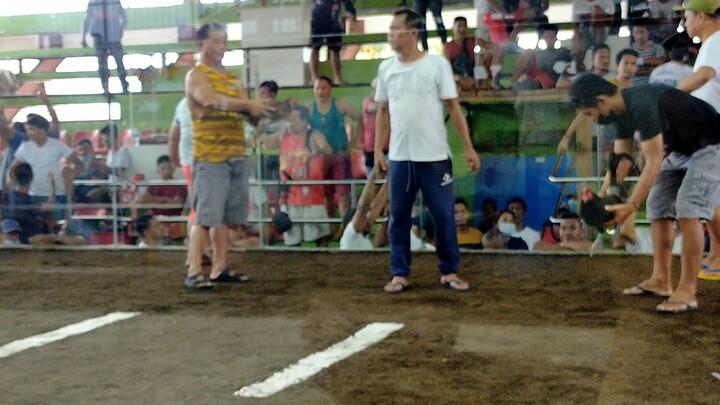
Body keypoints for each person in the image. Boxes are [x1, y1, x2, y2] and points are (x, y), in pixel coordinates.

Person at [569, 73, 720, 313]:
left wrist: (631, 205)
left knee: (688, 207)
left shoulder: (642, 104)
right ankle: (661, 280)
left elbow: (654, 161)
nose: (592, 119)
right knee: (658, 205)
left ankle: (688, 290)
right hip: (680, 151)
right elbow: (620, 161)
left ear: (601, 101)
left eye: (589, 113)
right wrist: (603, 197)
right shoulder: (619, 112)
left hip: (711, 145)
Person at [374, 9, 481, 294]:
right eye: (390, 29)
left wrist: (468, 148)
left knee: (444, 216)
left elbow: (454, 108)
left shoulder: (436, 65)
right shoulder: (386, 69)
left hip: (434, 158)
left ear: (413, 32)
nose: (390, 34)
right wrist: (378, 151)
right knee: (398, 217)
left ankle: (449, 271)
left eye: (396, 28)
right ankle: (399, 273)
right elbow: (382, 111)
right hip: (400, 157)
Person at [183, 23, 272, 289]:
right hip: (210, 156)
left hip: (235, 154)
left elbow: (248, 113)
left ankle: (219, 267)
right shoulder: (196, 75)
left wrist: (263, 113)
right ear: (202, 45)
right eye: (217, 42)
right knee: (205, 217)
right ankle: (194, 269)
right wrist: (249, 105)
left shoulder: (232, 78)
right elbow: (210, 101)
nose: (223, 47)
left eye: (224, 41)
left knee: (224, 218)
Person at [675, 0, 720, 280]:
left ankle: (719, 255)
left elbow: (705, 75)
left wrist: (671, 97)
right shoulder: (711, 43)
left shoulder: (716, 40)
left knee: (711, 196)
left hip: (713, 129)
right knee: (713, 196)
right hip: (709, 128)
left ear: (701, 16)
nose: (685, 22)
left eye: (687, 16)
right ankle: (715, 253)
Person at [262, 105, 333, 247]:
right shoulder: (282, 136)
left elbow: (327, 149)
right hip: (289, 196)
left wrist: (319, 150)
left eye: (292, 120)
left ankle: (324, 260)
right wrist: (267, 122)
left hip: (312, 195)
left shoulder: (313, 135)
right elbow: (263, 142)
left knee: (319, 235)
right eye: (287, 120)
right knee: (292, 238)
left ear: (304, 121)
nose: (288, 123)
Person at [7, 115, 81, 221]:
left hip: (57, 196)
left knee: (56, 226)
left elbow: (78, 164)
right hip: (32, 196)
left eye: (31, 129)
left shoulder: (57, 145)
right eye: (27, 130)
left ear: (42, 130)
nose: (28, 133)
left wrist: (69, 176)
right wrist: (12, 181)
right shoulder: (25, 147)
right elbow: (12, 169)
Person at [309, 76, 362, 217]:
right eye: (317, 88)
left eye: (324, 88)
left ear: (330, 89)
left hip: (340, 155)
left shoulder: (340, 104)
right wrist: (312, 148)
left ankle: (344, 224)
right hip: (321, 158)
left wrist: (354, 141)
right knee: (326, 193)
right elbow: (303, 130)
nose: (320, 92)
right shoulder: (310, 109)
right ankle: (330, 225)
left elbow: (360, 118)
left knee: (343, 192)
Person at [81, 0, 129, 94]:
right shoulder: (94, 2)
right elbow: (87, 20)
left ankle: (120, 86)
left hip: (111, 37)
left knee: (113, 63)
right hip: (103, 37)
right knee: (106, 64)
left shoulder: (111, 2)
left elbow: (124, 18)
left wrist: (120, 30)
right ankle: (110, 87)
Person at [339, 169, 389, 250]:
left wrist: (389, 181)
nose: (367, 221)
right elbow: (363, 208)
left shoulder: (361, 235)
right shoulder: (350, 235)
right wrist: (374, 174)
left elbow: (375, 208)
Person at [309, 0, 357, 85]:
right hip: (320, 16)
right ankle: (315, 78)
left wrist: (351, 12)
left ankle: (337, 79)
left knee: (334, 49)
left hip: (331, 17)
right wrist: (351, 11)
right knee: (316, 48)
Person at [570, 0, 615, 71]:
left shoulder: (607, 1)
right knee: (578, 47)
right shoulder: (577, 2)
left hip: (602, 32)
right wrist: (577, 45)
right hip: (584, 32)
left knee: (596, 11)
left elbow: (611, 22)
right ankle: (578, 67)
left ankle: (598, 55)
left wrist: (598, 16)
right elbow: (575, 26)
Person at [362, 79, 388, 176]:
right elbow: (373, 108)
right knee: (371, 177)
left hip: (387, 145)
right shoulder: (368, 101)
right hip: (371, 146)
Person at [630, 19, 667, 86]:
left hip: (655, 86)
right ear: (632, 34)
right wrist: (652, 66)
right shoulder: (629, 50)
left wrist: (640, 61)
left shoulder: (658, 48)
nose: (639, 35)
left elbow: (661, 63)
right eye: (636, 32)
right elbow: (632, 70)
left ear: (648, 32)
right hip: (636, 87)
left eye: (641, 32)